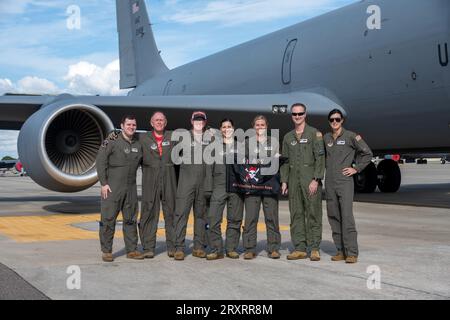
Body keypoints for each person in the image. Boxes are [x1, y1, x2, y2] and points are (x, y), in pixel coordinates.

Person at [324, 109, 373, 264]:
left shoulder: (351, 136)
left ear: (342, 120)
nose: (334, 122)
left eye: (337, 119)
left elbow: (367, 153)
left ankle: (351, 252)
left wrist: (356, 168)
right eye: (332, 120)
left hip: (345, 181)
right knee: (333, 216)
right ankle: (340, 250)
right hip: (330, 182)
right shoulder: (326, 138)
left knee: (346, 217)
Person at [280, 103, 325, 261]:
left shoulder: (314, 134)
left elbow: (320, 158)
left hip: (310, 180)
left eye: (300, 114)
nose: (297, 117)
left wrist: (316, 179)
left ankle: (314, 248)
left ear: (305, 114)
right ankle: (299, 247)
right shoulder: (288, 137)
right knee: (296, 214)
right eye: (294, 114)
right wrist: (284, 181)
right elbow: (285, 162)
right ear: (292, 116)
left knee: (313, 213)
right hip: (293, 181)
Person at [96, 115, 144, 262]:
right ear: (122, 126)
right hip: (112, 187)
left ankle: (132, 250)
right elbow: (100, 161)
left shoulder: (138, 143)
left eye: (134, 125)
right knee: (108, 219)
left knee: (130, 219)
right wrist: (104, 183)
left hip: (130, 188)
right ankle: (107, 251)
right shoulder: (111, 141)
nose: (131, 127)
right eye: (128, 124)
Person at [173, 111, 212, 260]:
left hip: (202, 183)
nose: (199, 122)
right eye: (196, 119)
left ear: (205, 122)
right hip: (186, 182)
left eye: (201, 120)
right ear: (191, 121)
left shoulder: (210, 138)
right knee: (181, 214)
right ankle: (179, 248)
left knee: (201, 216)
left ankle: (198, 247)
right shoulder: (183, 137)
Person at [138, 111, 177, 258]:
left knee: (171, 213)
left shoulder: (173, 136)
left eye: (162, 120)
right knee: (148, 212)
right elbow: (122, 135)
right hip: (150, 178)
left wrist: (211, 133)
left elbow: (192, 138)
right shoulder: (142, 137)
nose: (159, 122)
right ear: (151, 123)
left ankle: (172, 246)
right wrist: (112, 136)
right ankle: (148, 247)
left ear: (165, 123)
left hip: (169, 178)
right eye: (156, 120)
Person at [242, 115, 281, 260]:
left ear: (267, 126)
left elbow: (276, 160)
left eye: (262, 125)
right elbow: (244, 161)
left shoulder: (274, 142)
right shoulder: (247, 143)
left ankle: (274, 248)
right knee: (251, 217)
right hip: (252, 185)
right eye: (257, 125)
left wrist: (258, 160)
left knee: (271, 217)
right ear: (253, 127)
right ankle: (249, 248)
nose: (260, 127)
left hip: (270, 184)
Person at [205, 119, 244, 260]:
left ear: (233, 129)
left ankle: (231, 248)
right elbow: (208, 168)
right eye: (224, 127)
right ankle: (216, 249)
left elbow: (246, 168)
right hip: (219, 185)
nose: (226, 129)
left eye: (229, 126)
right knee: (213, 218)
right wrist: (208, 188)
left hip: (236, 187)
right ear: (220, 129)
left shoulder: (241, 146)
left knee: (235, 219)